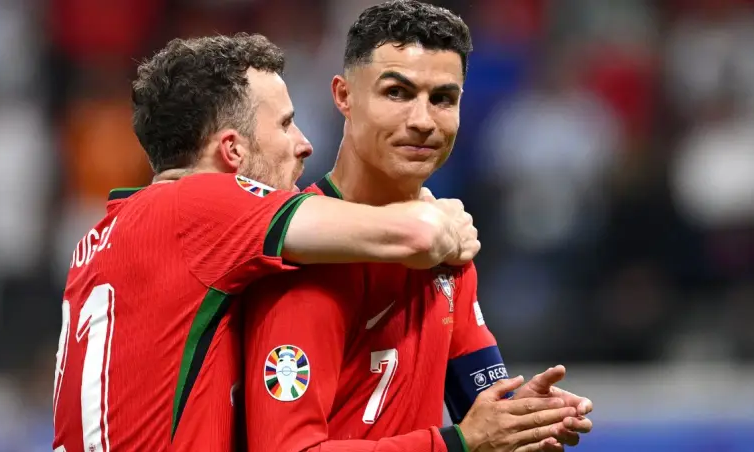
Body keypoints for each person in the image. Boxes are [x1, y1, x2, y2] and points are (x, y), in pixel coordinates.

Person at [51, 33, 482, 452]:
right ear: (232, 151)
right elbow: (419, 237)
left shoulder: (105, 235)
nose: (304, 145)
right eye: (285, 124)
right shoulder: (202, 205)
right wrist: (442, 216)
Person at [242, 2, 593, 452]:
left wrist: (523, 419)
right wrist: (460, 443)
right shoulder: (299, 258)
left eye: (443, 99)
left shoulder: (448, 245)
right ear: (344, 96)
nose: (423, 121)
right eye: (397, 93)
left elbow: (482, 404)